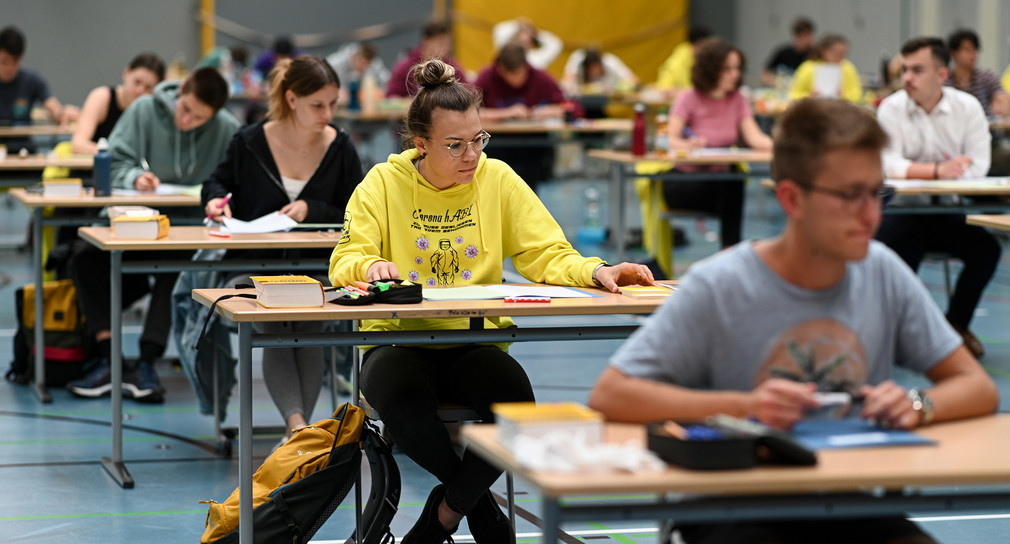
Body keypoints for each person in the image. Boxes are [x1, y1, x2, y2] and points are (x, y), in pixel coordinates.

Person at [589, 97, 999, 544]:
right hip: (733, 503)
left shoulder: (881, 271)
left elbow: (976, 386)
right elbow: (612, 394)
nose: (871, 215)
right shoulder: (721, 283)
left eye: (877, 193)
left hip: (848, 500)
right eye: (848, 196)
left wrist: (919, 405)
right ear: (791, 198)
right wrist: (745, 409)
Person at [328, 58, 654, 544]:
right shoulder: (382, 183)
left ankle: (443, 513)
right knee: (402, 404)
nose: (471, 155)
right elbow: (347, 255)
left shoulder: (497, 178)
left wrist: (597, 270)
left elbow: (545, 252)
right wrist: (368, 267)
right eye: (455, 145)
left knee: (515, 401)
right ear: (420, 145)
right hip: (397, 343)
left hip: (475, 340)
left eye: (478, 140)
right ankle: (477, 509)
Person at [202, 55, 363, 441]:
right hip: (252, 266)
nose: (328, 113)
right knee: (276, 318)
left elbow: (360, 208)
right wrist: (213, 202)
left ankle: (298, 431)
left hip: (316, 267)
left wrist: (314, 209)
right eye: (318, 105)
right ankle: (299, 430)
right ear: (291, 99)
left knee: (307, 320)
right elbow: (215, 185)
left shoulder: (340, 147)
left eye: (333, 104)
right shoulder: (249, 141)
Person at [66, 67, 240, 403]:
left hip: (188, 229)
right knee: (84, 260)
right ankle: (108, 360)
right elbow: (112, 161)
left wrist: (217, 197)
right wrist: (133, 177)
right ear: (181, 91)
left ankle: (148, 363)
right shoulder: (144, 110)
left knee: (174, 269)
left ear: (215, 115)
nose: (187, 121)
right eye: (185, 109)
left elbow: (234, 181)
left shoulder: (228, 129)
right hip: (134, 222)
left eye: (199, 118)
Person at [875, 37, 997, 359]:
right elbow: (887, 164)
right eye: (904, 70)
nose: (907, 78)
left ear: (942, 75)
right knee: (897, 249)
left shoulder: (967, 107)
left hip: (948, 212)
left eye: (917, 70)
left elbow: (979, 163)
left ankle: (955, 327)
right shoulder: (891, 108)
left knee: (987, 250)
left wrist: (946, 170)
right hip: (901, 211)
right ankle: (897, 333)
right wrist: (937, 170)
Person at [473, 42, 565, 194]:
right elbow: (470, 112)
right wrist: (507, 112)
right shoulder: (487, 77)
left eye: (521, 74)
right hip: (496, 145)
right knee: (496, 188)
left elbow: (570, 106)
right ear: (500, 70)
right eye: (512, 75)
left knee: (528, 189)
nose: (517, 79)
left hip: (531, 149)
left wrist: (551, 110)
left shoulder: (539, 77)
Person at [0, 25, 78, 153]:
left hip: (22, 148)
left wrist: (61, 114)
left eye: (14, 62)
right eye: (4, 61)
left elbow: (52, 105)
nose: (9, 67)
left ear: (21, 57)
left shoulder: (31, 80)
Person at [71, 52, 165, 155]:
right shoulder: (102, 97)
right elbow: (78, 144)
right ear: (126, 73)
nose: (140, 91)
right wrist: (111, 154)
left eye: (148, 88)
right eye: (137, 82)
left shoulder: (152, 109)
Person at [387, 20, 468, 97]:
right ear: (426, 41)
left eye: (448, 44)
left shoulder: (453, 67)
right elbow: (391, 97)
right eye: (441, 43)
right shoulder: (405, 66)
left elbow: (468, 93)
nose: (446, 48)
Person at [944, 28, 1010, 116]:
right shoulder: (945, 81)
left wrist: (1002, 102)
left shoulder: (986, 77)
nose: (972, 55)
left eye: (975, 50)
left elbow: (1000, 94)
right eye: (967, 50)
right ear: (954, 53)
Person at [789, 34, 862, 102]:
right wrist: (809, 96)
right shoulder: (808, 67)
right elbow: (793, 95)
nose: (839, 56)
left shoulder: (847, 67)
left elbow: (857, 95)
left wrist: (843, 96)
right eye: (835, 51)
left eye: (843, 53)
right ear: (823, 50)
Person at [326, 41, 390, 106]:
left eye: (367, 65)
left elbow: (386, 81)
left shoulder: (375, 64)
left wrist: (378, 92)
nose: (364, 68)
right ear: (356, 56)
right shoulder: (335, 63)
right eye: (362, 63)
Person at [655, 27, 713, 95]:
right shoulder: (678, 61)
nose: (708, 51)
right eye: (707, 47)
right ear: (698, 44)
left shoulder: (702, 60)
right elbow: (664, 88)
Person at [492, 17, 563, 71]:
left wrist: (537, 34)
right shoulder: (506, 52)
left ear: (531, 44)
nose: (521, 44)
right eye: (519, 40)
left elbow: (557, 45)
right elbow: (498, 30)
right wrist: (519, 25)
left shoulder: (535, 59)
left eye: (526, 42)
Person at [561, 47, 638, 96]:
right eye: (591, 70)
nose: (595, 73)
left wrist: (620, 87)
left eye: (596, 69)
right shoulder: (578, 58)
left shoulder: (609, 61)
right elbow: (568, 81)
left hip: (602, 100)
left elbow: (634, 80)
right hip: (580, 100)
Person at [761, 16, 815, 86]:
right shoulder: (784, 53)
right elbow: (766, 72)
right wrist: (775, 83)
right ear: (797, 36)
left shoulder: (814, 54)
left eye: (810, 35)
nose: (809, 39)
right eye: (805, 35)